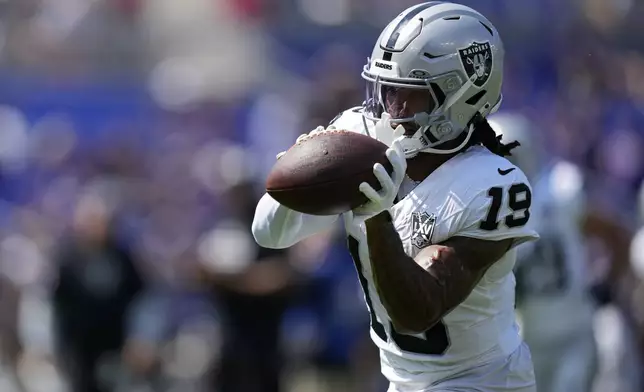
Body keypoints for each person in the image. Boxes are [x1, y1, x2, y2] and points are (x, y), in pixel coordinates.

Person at [252, 2, 539, 391]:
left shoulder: (494, 185)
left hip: (482, 381)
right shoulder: (362, 137)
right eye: (387, 89)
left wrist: (377, 217)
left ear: (462, 94)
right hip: (401, 382)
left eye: (410, 93)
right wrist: (298, 176)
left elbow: (417, 311)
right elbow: (270, 234)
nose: (393, 108)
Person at [488, 113, 598, 392]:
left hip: (573, 334)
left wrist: (610, 284)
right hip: (524, 343)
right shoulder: (487, 215)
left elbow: (610, 229)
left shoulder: (560, 189)